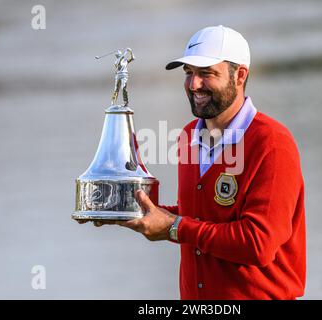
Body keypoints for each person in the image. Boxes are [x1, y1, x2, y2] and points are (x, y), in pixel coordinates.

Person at [90, 25, 306, 300]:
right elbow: (202, 216)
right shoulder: (189, 136)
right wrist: (130, 209)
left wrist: (174, 226)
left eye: (206, 73)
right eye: (189, 73)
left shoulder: (272, 142)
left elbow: (258, 243)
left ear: (240, 75)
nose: (194, 85)